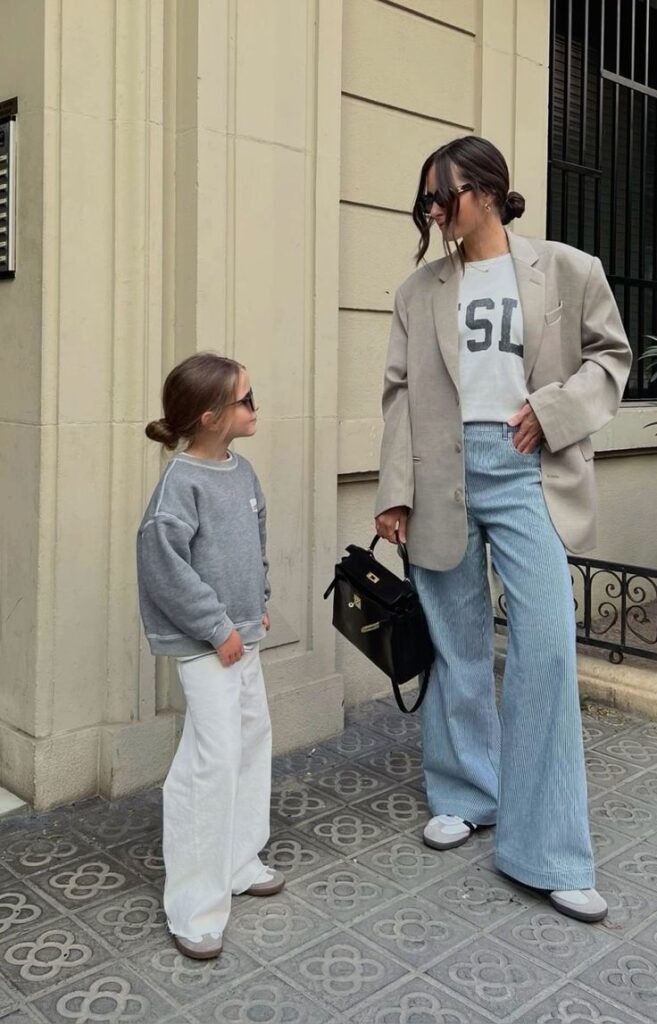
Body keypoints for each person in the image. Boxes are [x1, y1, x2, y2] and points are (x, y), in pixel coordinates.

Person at [374, 135, 631, 923]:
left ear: (484, 190)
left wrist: (550, 414)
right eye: (427, 199)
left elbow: (609, 359)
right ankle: (466, 793)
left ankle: (548, 848)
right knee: (454, 646)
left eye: (442, 195)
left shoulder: (565, 268)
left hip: (526, 470)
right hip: (439, 475)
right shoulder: (418, 290)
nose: (434, 210)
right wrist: (394, 492)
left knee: (546, 652)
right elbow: (395, 393)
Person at [137, 352, 283, 960]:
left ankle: (238, 859)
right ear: (211, 416)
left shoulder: (241, 471)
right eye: (246, 400)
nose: (256, 408)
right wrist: (218, 626)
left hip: (241, 638)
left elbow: (256, 543)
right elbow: (163, 567)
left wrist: (260, 603)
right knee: (209, 762)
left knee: (251, 740)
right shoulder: (181, 482)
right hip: (208, 646)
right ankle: (194, 905)